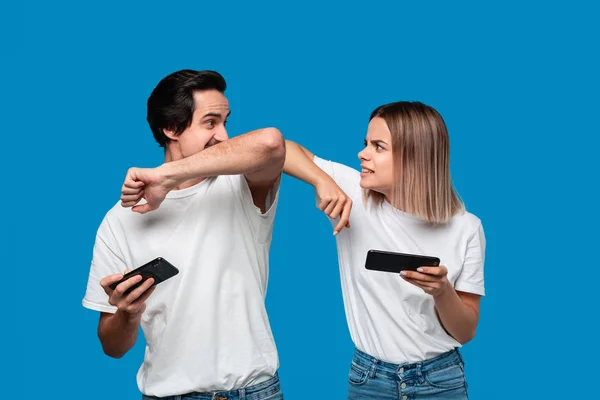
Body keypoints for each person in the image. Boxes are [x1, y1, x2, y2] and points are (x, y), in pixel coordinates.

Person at [82, 69, 286, 400]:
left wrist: (165, 176)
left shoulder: (240, 185)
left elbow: (271, 143)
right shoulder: (119, 221)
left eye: (225, 121)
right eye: (210, 123)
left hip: (255, 392)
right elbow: (112, 346)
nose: (224, 135)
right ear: (171, 128)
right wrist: (128, 314)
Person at [282, 101, 485, 399]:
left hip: (441, 381)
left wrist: (442, 291)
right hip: (370, 379)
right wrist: (321, 180)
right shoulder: (355, 194)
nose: (362, 154)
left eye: (378, 147)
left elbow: (465, 332)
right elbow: (280, 148)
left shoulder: (467, 228)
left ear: (416, 156)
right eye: (365, 143)